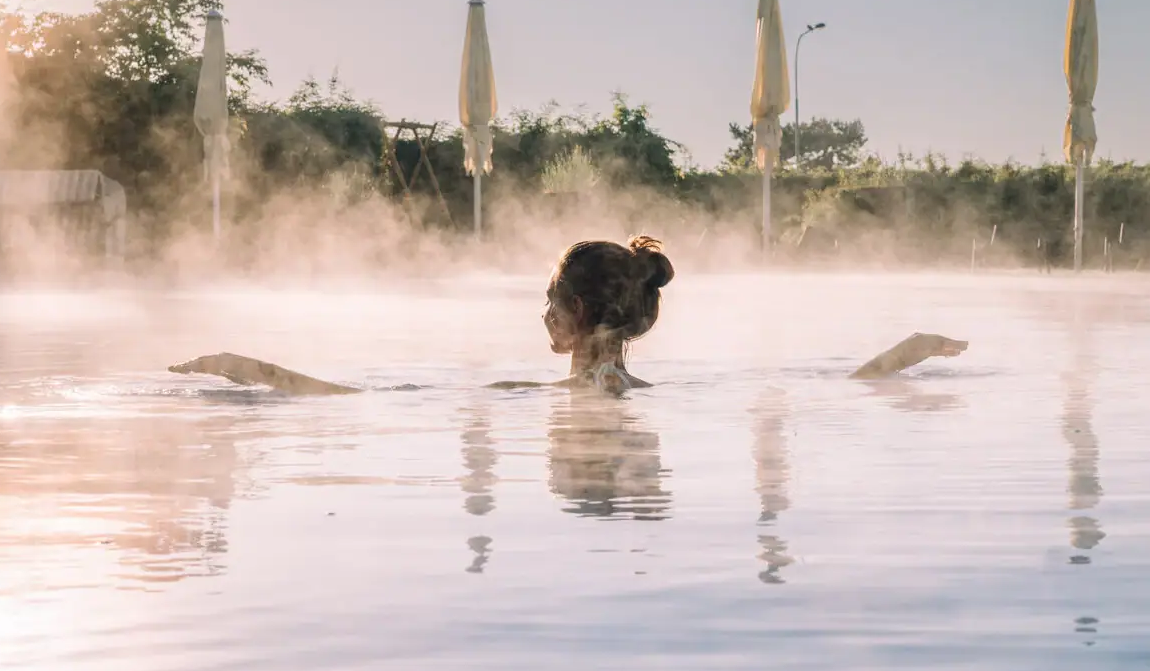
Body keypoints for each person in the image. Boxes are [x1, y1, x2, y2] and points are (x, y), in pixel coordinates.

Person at [169, 235, 968, 397]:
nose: (539, 314)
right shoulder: (659, 397)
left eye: (546, 301)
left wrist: (247, 368)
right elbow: (838, 387)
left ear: (576, 312)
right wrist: (905, 353)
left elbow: (345, 406)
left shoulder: (551, 399)